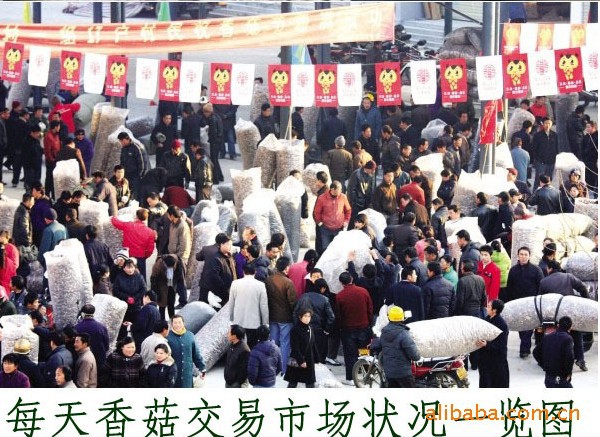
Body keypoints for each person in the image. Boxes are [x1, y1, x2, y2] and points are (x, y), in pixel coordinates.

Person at [336, 271, 373, 385]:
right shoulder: (363, 291)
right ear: (352, 279)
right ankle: (364, 375)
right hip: (364, 327)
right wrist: (369, 323)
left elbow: (339, 315)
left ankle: (351, 378)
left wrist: (340, 327)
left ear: (341, 282)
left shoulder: (339, 296)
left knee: (350, 354)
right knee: (364, 352)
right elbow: (370, 309)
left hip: (348, 329)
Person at [507, 246, 543, 358]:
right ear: (518, 256)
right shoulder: (513, 270)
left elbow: (541, 286)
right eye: (521, 254)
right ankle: (525, 346)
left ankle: (524, 350)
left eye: (525, 254)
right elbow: (509, 287)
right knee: (521, 327)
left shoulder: (536, 270)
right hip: (517, 304)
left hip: (531, 304)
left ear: (529, 256)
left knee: (528, 327)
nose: (523, 257)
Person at [265, 256, 297, 374]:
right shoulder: (288, 282)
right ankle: (283, 369)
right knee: (285, 343)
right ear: (286, 267)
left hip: (272, 316)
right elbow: (293, 302)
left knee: (273, 342)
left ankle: (272, 367)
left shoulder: (268, 280)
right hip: (286, 318)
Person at [376, 306, 421, 388]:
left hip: (389, 373)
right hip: (403, 373)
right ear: (402, 318)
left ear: (389, 318)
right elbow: (415, 356)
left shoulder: (384, 332)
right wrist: (418, 356)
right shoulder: (403, 334)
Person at [229, 263, 269, 349]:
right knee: (251, 346)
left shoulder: (235, 283)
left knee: (238, 347)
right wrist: (265, 322)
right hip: (254, 322)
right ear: (255, 272)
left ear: (243, 272)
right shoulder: (261, 285)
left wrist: (231, 318)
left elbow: (231, 303)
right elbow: (263, 305)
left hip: (238, 320)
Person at [111, 208, 156, 281]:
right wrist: (145, 256)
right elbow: (150, 249)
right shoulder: (150, 232)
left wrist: (113, 216)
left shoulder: (129, 225)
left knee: (126, 278)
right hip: (141, 257)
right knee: (141, 279)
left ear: (136, 216)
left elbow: (116, 223)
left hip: (128, 256)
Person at [533, 316, 575, 388]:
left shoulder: (547, 337)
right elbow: (569, 358)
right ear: (570, 328)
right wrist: (568, 373)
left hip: (548, 377)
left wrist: (544, 365)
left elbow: (535, 352)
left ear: (558, 325)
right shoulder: (568, 339)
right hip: (559, 378)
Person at [476, 299, 510, 388]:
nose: (486, 308)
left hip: (496, 360)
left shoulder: (502, 324)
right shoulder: (487, 319)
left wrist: (487, 344)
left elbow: (501, 344)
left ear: (494, 310)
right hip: (485, 358)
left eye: (489, 307)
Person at [167, 315, 206, 388]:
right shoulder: (167, 337)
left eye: (179, 322)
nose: (178, 325)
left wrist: (202, 367)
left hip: (187, 373)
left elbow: (196, 354)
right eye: (175, 323)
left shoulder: (190, 335)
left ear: (183, 323)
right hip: (173, 373)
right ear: (172, 324)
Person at [313, 181, 351, 254]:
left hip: (339, 229)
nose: (341, 191)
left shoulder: (343, 197)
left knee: (338, 250)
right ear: (332, 189)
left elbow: (348, 210)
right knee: (326, 250)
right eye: (339, 189)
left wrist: (346, 221)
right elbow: (317, 212)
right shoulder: (322, 198)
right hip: (325, 229)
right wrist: (320, 223)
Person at [113, 258, 147, 339]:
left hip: (136, 305)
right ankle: (122, 341)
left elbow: (143, 289)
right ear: (124, 268)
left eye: (132, 267)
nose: (130, 270)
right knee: (123, 327)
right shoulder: (119, 277)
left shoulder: (139, 277)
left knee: (136, 325)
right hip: (124, 306)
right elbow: (116, 291)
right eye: (128, 267)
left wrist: (135, 298)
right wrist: (126, 297)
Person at [285, 310, 317, 388]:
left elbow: (312, 343)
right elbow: (294, 347)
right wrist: (301, 361)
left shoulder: (310, 327)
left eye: (309, 316)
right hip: (297, 359)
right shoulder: (295, 329)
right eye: (305, 316)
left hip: (309, 360)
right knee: (293, 382)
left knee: (310, 383)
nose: (307, 318)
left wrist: (317, 357)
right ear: (300, 317)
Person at [75, 304, 110, 370]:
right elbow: (106, 346)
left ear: (82, 314)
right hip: (99, 361)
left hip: (82, 361)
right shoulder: (102, 327)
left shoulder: (77, 327)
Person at [347, 160, 376, 228]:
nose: (373, 172)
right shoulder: (356, 174)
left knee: (363, 223)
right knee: (353, 221)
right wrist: (353, 203)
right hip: (356, 203)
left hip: (366, 203)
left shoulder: (371, 175)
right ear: (368, 168)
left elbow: (372, 189)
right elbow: (351, 190)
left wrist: (370, 203)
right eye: (372, 170)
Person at [531, 117, 559, 182]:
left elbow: (557, 148)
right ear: (543, 124)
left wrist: (555, 158)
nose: (547, 125)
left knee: (548, 179)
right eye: (546, 123)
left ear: (551, 124)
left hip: (551, 162)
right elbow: (534, 148)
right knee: (539, 180)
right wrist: (537, 159)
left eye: (549, 123)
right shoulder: (538, 135)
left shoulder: (555, 135)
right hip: (540, 162)